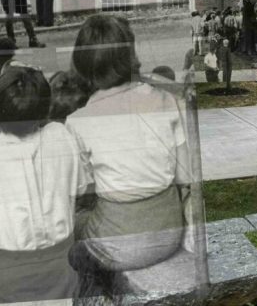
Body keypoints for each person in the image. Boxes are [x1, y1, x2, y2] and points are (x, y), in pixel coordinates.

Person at [65, 16, 196, 300]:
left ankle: (97, 293)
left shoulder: (79, 121)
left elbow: (80, 188)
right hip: (169, 233)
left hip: (117, 242)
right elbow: (186, 175)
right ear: (130, 54)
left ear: (84, 63)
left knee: (72, 234)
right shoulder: (166, 101)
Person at [0, 65, 88, 303]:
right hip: (61, 267)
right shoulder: (61, 135)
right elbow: (80, 188)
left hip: (9, 276)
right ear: (45, 110)